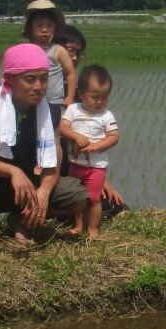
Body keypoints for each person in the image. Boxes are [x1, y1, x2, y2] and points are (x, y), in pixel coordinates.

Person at [0, 43, 88, 249]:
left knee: (77, 197)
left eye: (44, 78)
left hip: (28, 187)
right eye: (30, 79)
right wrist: (12, 171)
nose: (39, 86)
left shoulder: (52, 112)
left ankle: (19, 218)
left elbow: (53, 161)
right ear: (10, 79)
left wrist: (45, 191)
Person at [59, 65, 119, 239]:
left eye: (104, 98)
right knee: (77, 198)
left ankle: (93, 228)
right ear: (80, 93)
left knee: (93, 199)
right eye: (95, 97)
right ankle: (78, 226)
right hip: (75, 164)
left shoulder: (106, 115)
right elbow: (63, 128)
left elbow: (114, 136)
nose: (99, 102)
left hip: (96, 166)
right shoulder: (73, 110)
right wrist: (76, 137)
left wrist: (96, 146)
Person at [25, 0, 76, 107]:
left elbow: (71, 73)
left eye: (49, 26)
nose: (45, 30)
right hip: (31, 101)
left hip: (55, 102)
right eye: (39, 26)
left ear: (54, 28)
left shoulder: (58, 51)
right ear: (30, 28)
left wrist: (70, 97)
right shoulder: (26, 50)